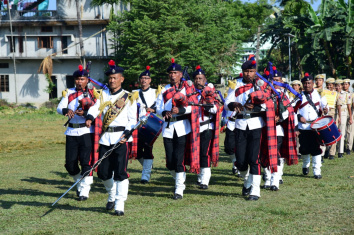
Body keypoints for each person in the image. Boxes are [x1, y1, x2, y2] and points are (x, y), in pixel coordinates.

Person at [85, 60, 138, 216]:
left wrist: (127, 134)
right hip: (105, 137)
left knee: (121, 172)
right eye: (110, 78)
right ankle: (112, 194)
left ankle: (119, 204)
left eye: (115, 78)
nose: (112, 80)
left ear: (121, 79)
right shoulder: (104, 95)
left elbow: (132, 120)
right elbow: (95, 108)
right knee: (102, 172)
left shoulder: (129, 97)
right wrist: (89, 117)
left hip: (121, 138)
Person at [224, 56, 275, 201]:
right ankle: (247, 181)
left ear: (255, 72)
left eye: (251, 71)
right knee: (240, 161)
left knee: (254, 159)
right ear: (242, 71)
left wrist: (257, 106)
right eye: (246, 71)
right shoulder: (235, 85)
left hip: (256, 125)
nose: (248, 74)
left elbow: (269, 104)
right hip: (239, 125)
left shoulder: (261, 84)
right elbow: (227, 103)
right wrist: (234, 105)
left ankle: (255, 190)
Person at [156, 58, 199, 200]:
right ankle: (178, 178)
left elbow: (193, 106)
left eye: (175, 73)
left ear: (181, 74)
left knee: (179, 159)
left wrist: (180, 110)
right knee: (170, 162)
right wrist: (164, 112)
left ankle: (179, 188)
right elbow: (158, 107)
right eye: (170, 73)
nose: (172, 75)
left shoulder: (187, 89)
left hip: (182, 128)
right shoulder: (164, 89)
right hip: (168, 128)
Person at [57, 65, 98, 201]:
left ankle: (84, 190)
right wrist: (65, 111)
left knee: (86, 162)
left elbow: (97, 110)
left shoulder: (93, 94)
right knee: (70, 163)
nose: (79, 82)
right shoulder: (69, 93)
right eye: (77, 79)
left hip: (86, 131)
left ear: (87, 80)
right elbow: (60, 107)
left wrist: (86, 113)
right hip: (71, 131)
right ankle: (79, 182)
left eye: (82, 79)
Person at [192, 65, 221, 189]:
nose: (198, 81)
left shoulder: (211, 92)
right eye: (196, 79)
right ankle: (199, 176)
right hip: (192, 128)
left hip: (206, 126)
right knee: (195, 153)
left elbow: (216, 108)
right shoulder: (190, 93)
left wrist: (206, 104)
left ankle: (205, 179)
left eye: (201, 78)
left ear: (205, 80)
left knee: (204, 153)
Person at [296, 73, 328, 179]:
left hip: (315, 126)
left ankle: (317, 171)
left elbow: (324, 105)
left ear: (312, 83)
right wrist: (299, 116)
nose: (307, 85)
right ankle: (305, 165)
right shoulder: (299, 95)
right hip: (303, 127)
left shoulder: (319, 94)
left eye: (309, 83)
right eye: (305, 83)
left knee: (315, 149)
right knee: (304, 148)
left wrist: (325, 109)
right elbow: (294, 110)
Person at [134, 66, 159, 184]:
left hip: (150, 124)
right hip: (137, 124)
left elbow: (160, 105)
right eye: (142, 78)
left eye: (146, 78)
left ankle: (145, 176)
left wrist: (154, 110)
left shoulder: (156, 92)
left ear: (150, 80)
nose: (144, 80)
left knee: (148, 149)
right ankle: (147, 167)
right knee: (137, 152)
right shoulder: (134, 93)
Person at [223, 73, 242, 177]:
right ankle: (235, 161)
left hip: (242, 121)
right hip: (232, 122)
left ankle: (239, 167)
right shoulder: (233, 88)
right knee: (229, 147)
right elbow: (227, 103)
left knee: (240, 146)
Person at [336, 79, 352, 158]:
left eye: (339, 86)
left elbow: (349, 106)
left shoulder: (345, 94)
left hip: (343, 112)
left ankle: (340, 151)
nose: (337, 87)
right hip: (335, 113)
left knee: (342, 131)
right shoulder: (334, 93)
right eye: (336, 86)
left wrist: (350, 117)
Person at [324, 78, 338, 160]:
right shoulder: (323, 92)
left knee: (333, 133)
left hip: (333, 113)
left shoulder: (336, 94)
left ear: (333, 85)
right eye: (328, 85)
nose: (329, 86)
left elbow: (338, 105)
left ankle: (332, 153)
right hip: (324, 113)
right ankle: (325, 150)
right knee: (325, 133)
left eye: (331, 85)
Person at [343, 79, 353, 155]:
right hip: (343, 112)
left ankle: (349, 147)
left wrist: (351, 117)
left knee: (350, 131)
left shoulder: (352, 94)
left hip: (350, 113)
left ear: (349, 85)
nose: (345, 86)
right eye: (344, 84)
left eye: (346, 84)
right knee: (342, 130)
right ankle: (341, 147)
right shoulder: (340, 93)